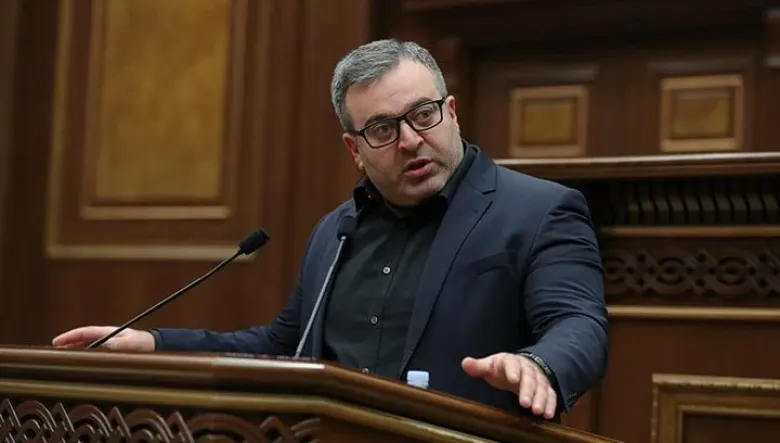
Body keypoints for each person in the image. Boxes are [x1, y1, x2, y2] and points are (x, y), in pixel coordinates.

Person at [52, 39, 608, 421]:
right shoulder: (335, 233)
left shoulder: (538, 211)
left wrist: (539, 365)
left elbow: (578, 324)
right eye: (383, 128)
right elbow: (282, 346)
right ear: (354, 149)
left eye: (424, 115)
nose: (411, 140)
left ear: (453, 112)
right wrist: (153, 343)